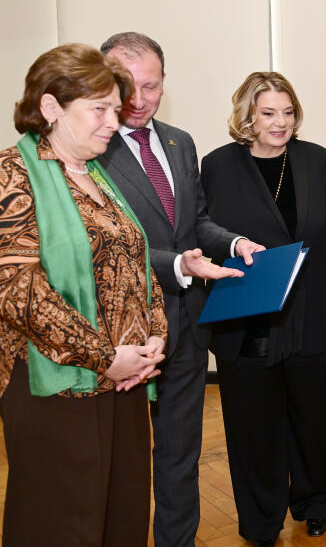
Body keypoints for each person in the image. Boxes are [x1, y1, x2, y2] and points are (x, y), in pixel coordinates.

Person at [98, 32, 265, 547]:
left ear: (165, 82)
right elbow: (100, 248)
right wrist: (178, 264)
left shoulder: (179, 141)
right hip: (119, 335)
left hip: (187, 325)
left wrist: (233, 242)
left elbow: (194, 223)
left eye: (150, 86)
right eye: (126, 85)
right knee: (120, 462)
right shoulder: (91, 146)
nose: (138, 99)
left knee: (180, 454)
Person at [0, 43, 168, 544]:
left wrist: (153, 340)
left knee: (122, 515)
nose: (114, 122)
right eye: (100, 109)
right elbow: (18, 289)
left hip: (123, 382)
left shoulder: (95, 173)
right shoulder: (12, 173)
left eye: (116, 109)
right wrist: (104, 357)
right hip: (54, 386)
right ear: (51, 107)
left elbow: (136, 264)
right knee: (63, 521)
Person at [200, 72, 326, 545]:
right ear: (248, 115)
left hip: (311, 310)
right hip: (246, 316)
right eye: (268, 113)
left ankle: (317, 501)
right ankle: (262, 520)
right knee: (253, 427)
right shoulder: (218, 165)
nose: (280, 122)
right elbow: (203, 231)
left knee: (312, 418)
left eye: (287, 112)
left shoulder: (318, 160)